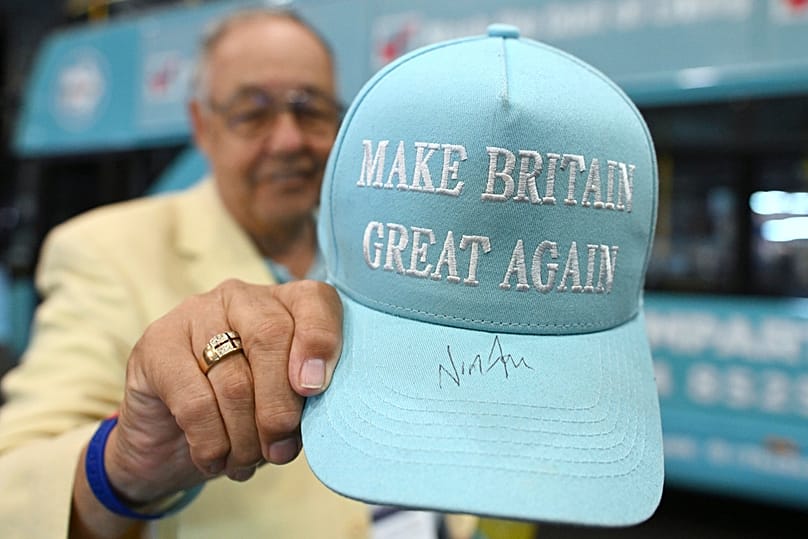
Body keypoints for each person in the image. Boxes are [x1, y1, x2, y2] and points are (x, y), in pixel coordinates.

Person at [0, 8, 480, 539]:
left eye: (311, 109)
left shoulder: (390, 245)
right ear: (203, 126)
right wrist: (122, 466)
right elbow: (13, 483)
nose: (288, 140)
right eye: (253, 112)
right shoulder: (106, 251)